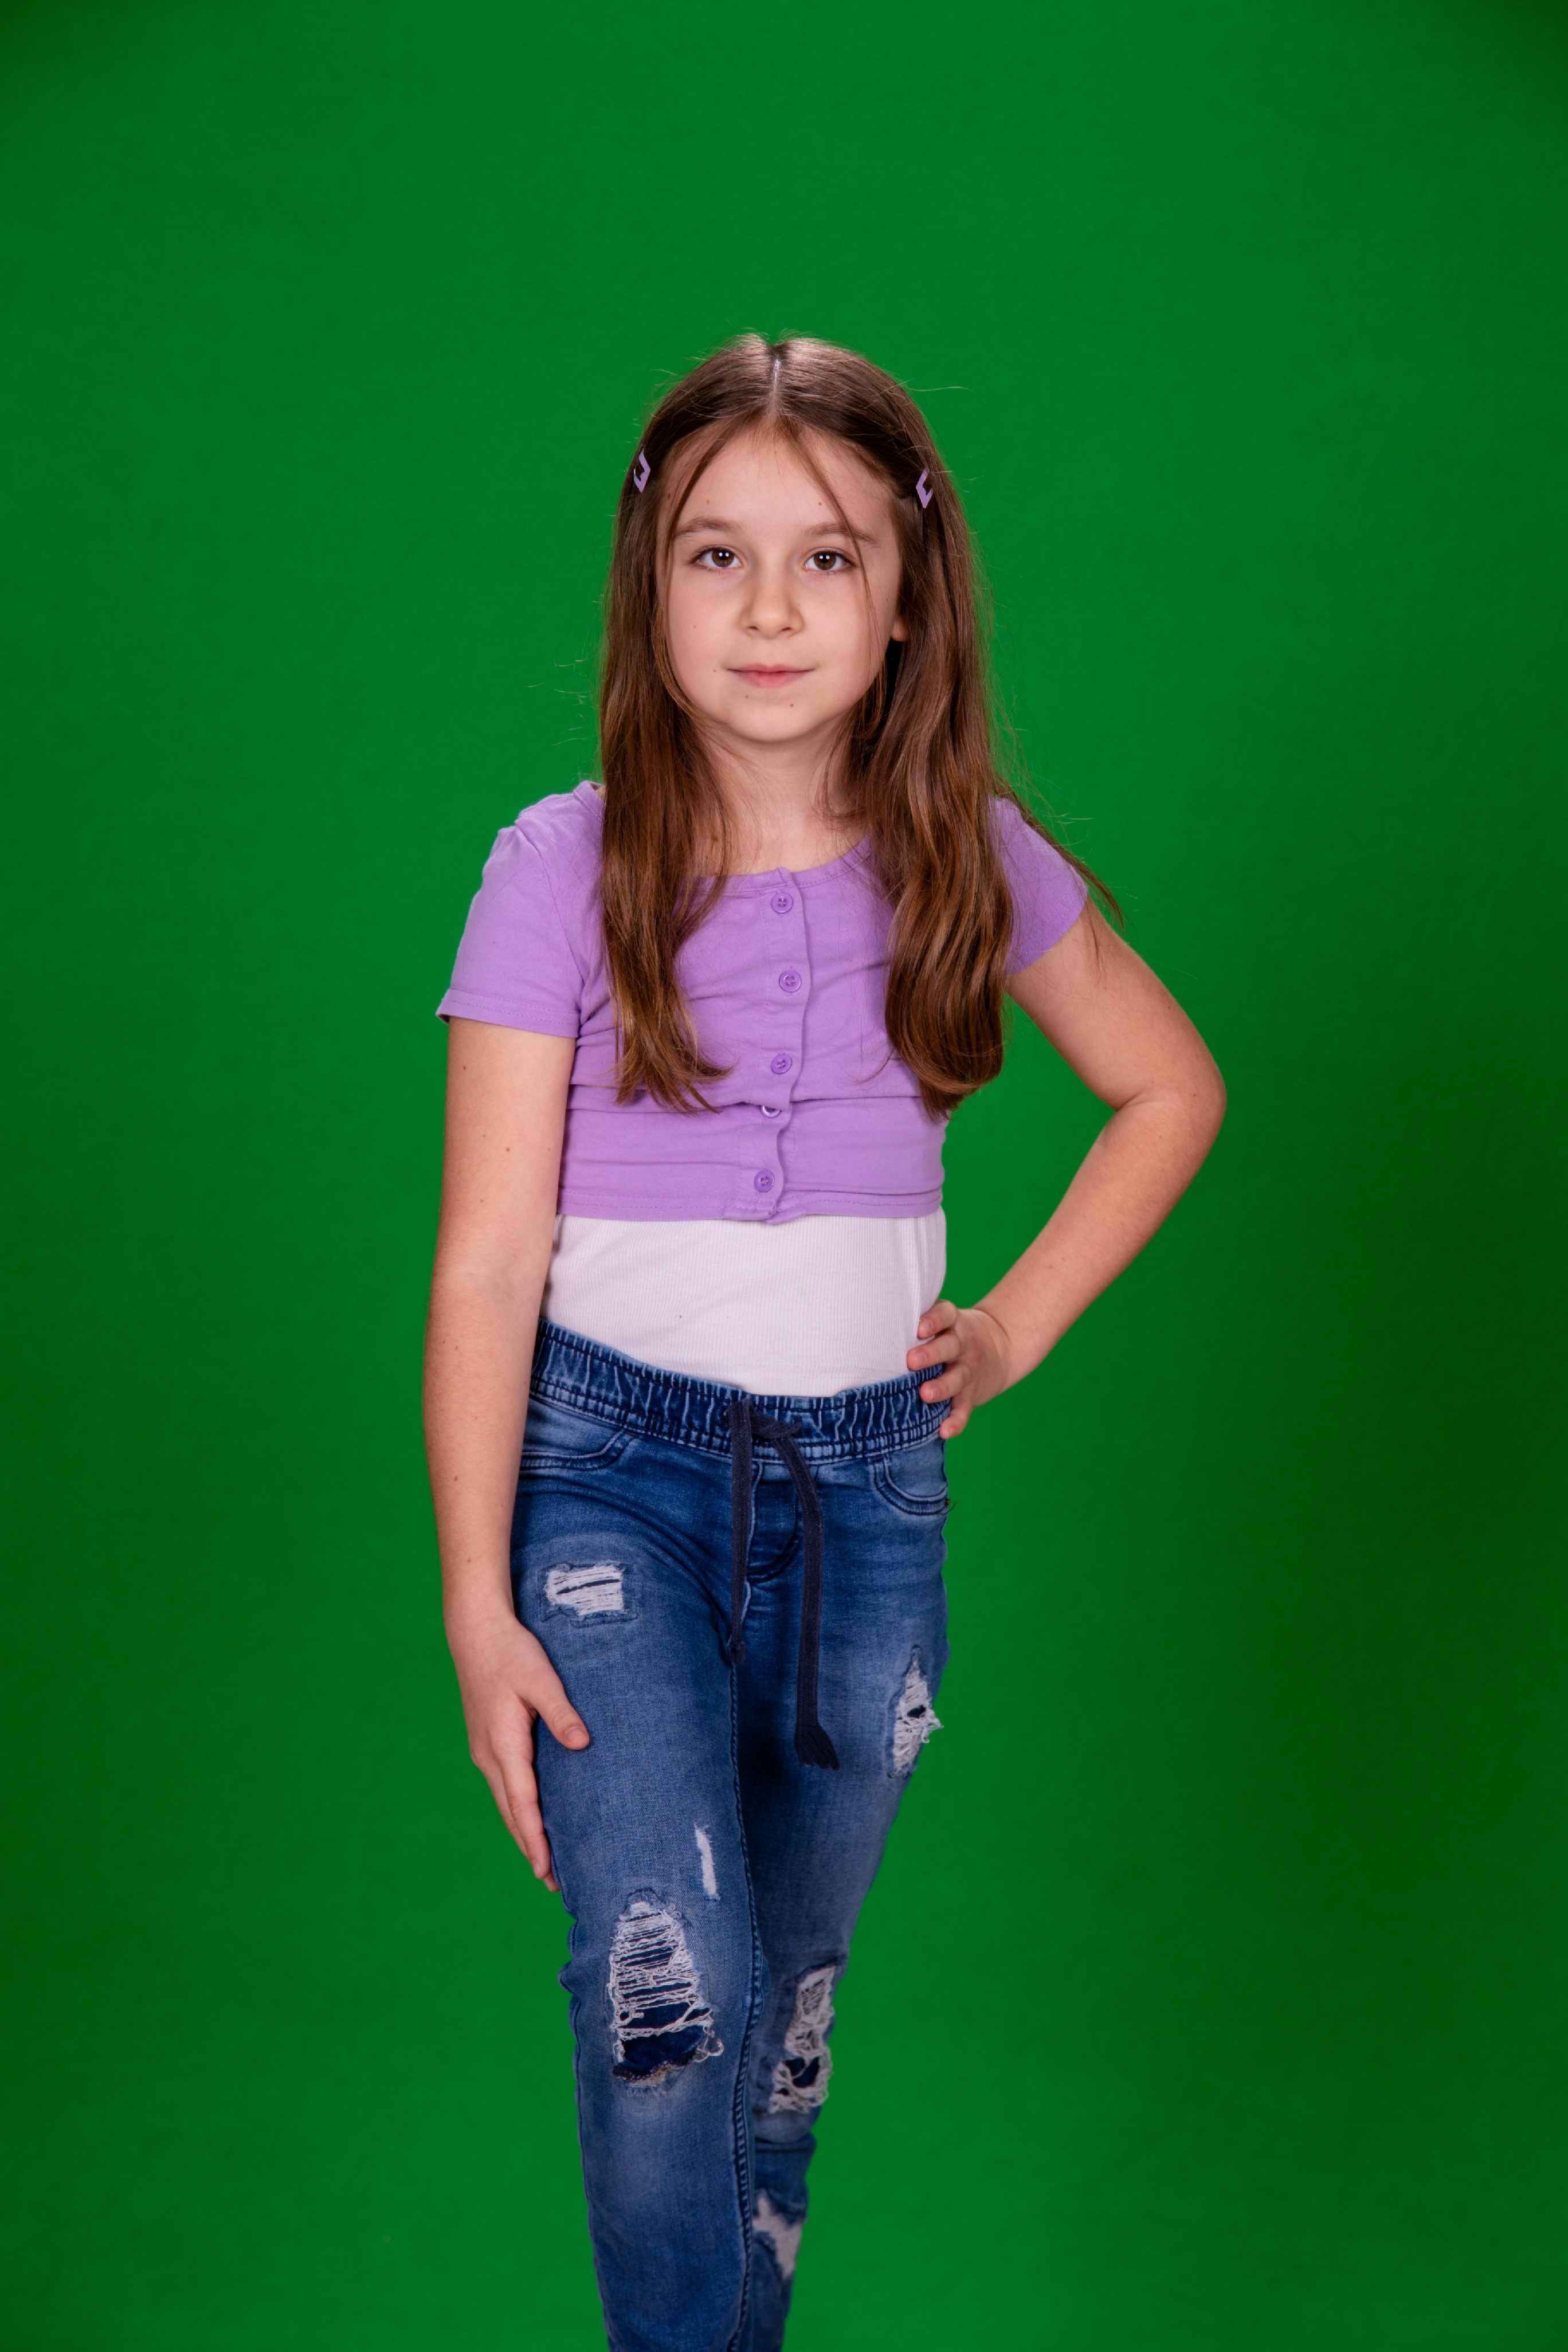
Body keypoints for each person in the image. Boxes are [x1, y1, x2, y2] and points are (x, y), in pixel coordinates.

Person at [424, 335, 1225, 2352]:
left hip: (870, 1503)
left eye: (828, 558)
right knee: (669, 1999)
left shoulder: (971, 860)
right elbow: (487, 1263)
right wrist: (473, 1602)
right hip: (609, 1489)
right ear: (649, 585)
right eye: (718, 554)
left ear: (907, 597)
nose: (770, 609)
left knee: (781, 2028)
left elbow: (1172, 1090)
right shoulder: (559, 867)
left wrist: (1014, 1324)